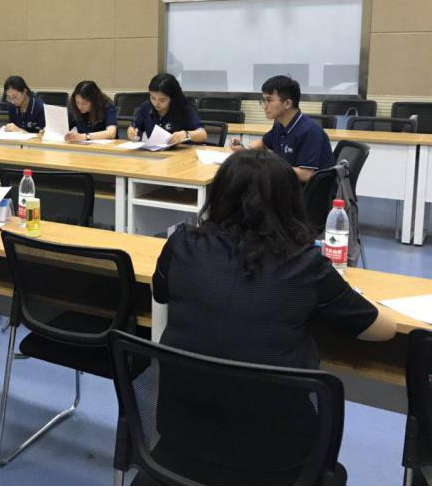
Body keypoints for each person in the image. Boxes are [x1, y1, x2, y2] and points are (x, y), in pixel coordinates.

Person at [150, 150, 396, 480]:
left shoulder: (182, 243)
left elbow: (160, 293)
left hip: (181, 441)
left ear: (218, 195)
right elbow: (382, 329)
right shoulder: (306, 265)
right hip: (275, 461)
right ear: (289, 203)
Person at [230, 75, 334, 183]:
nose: (264, 106)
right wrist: (245, 149)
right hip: (286, 185)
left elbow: (306, 174)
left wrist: (269, 167)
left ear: (287, 103)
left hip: (306, 191)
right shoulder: (280, 125)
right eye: (263, 101)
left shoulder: (310, 131)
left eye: (269, 100)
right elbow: (264, 143)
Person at [129, 74, 207, 145]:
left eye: (162, 100)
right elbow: (133, 128)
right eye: (153, 98)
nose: (156, 103)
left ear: (172, 98)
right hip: (157, 152)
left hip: (184, 151)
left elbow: (203, 134)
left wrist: (186, 134)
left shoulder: (184, 108)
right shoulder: (146, 107)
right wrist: (131, 132)